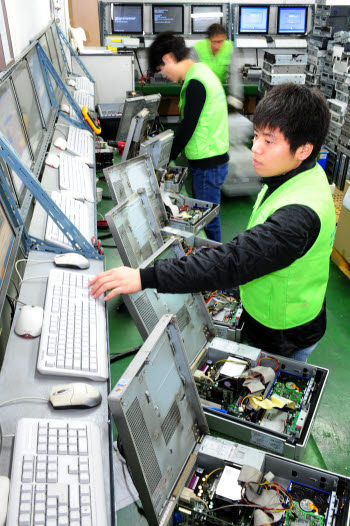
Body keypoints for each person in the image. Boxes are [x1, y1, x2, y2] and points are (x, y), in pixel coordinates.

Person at [89, 83, 335, 363]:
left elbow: (233, 261)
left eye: (268, 141)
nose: (255, 148)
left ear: (304, 149)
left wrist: (145, 277)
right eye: (255, 136)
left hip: (282, 333)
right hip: (281, 309)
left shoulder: (298, 217)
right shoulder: (298, 174)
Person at [148, 31, 229, 242]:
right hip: (212, 159)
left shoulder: (196, 82)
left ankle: (215, 265)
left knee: (207, 222)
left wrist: (164, 158)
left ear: (168, 58)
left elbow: (187, 127)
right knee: (208, 218)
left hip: (208, 163)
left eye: (161, 69)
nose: (164, 75)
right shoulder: (200, 72)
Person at [191, 23, 243, 111]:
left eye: (221, 41)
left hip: (218, 93)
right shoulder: (197, 48)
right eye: (214, 42)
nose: (217, 46)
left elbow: (234, 74)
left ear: (225, 37)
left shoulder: (230, 47)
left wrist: (235, 95)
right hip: (199, 91)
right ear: (209, 39)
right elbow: (191, 75)